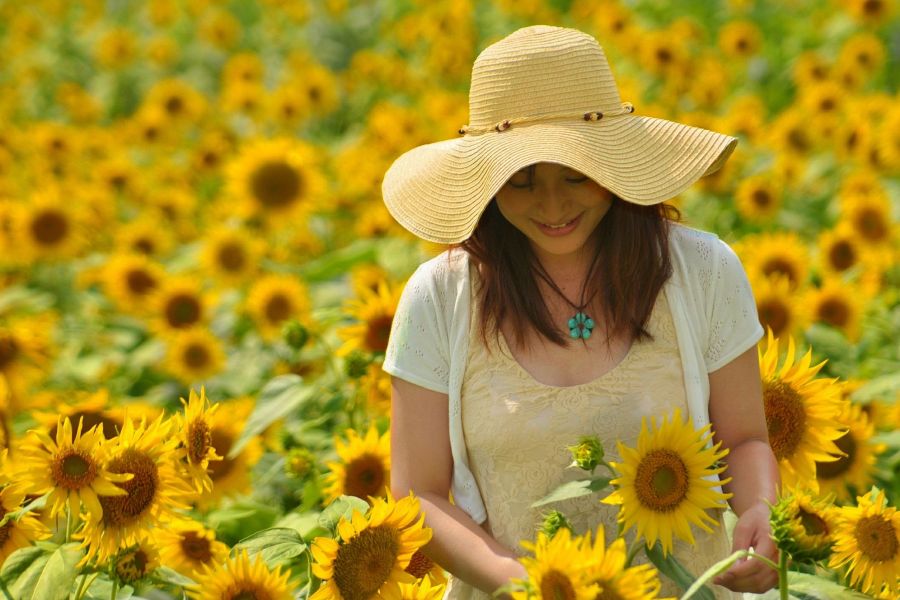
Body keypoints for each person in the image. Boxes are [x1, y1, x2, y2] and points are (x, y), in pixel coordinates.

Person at [381, 25, 779, 599]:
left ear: (614, 165)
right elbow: (417, 491)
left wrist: (760, 514)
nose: (552, 205)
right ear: (489, 187)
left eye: (576, 174)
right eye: (521, 182)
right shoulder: (440, 297)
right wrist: (534, 586)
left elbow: (744, 438)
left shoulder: (702, 272)